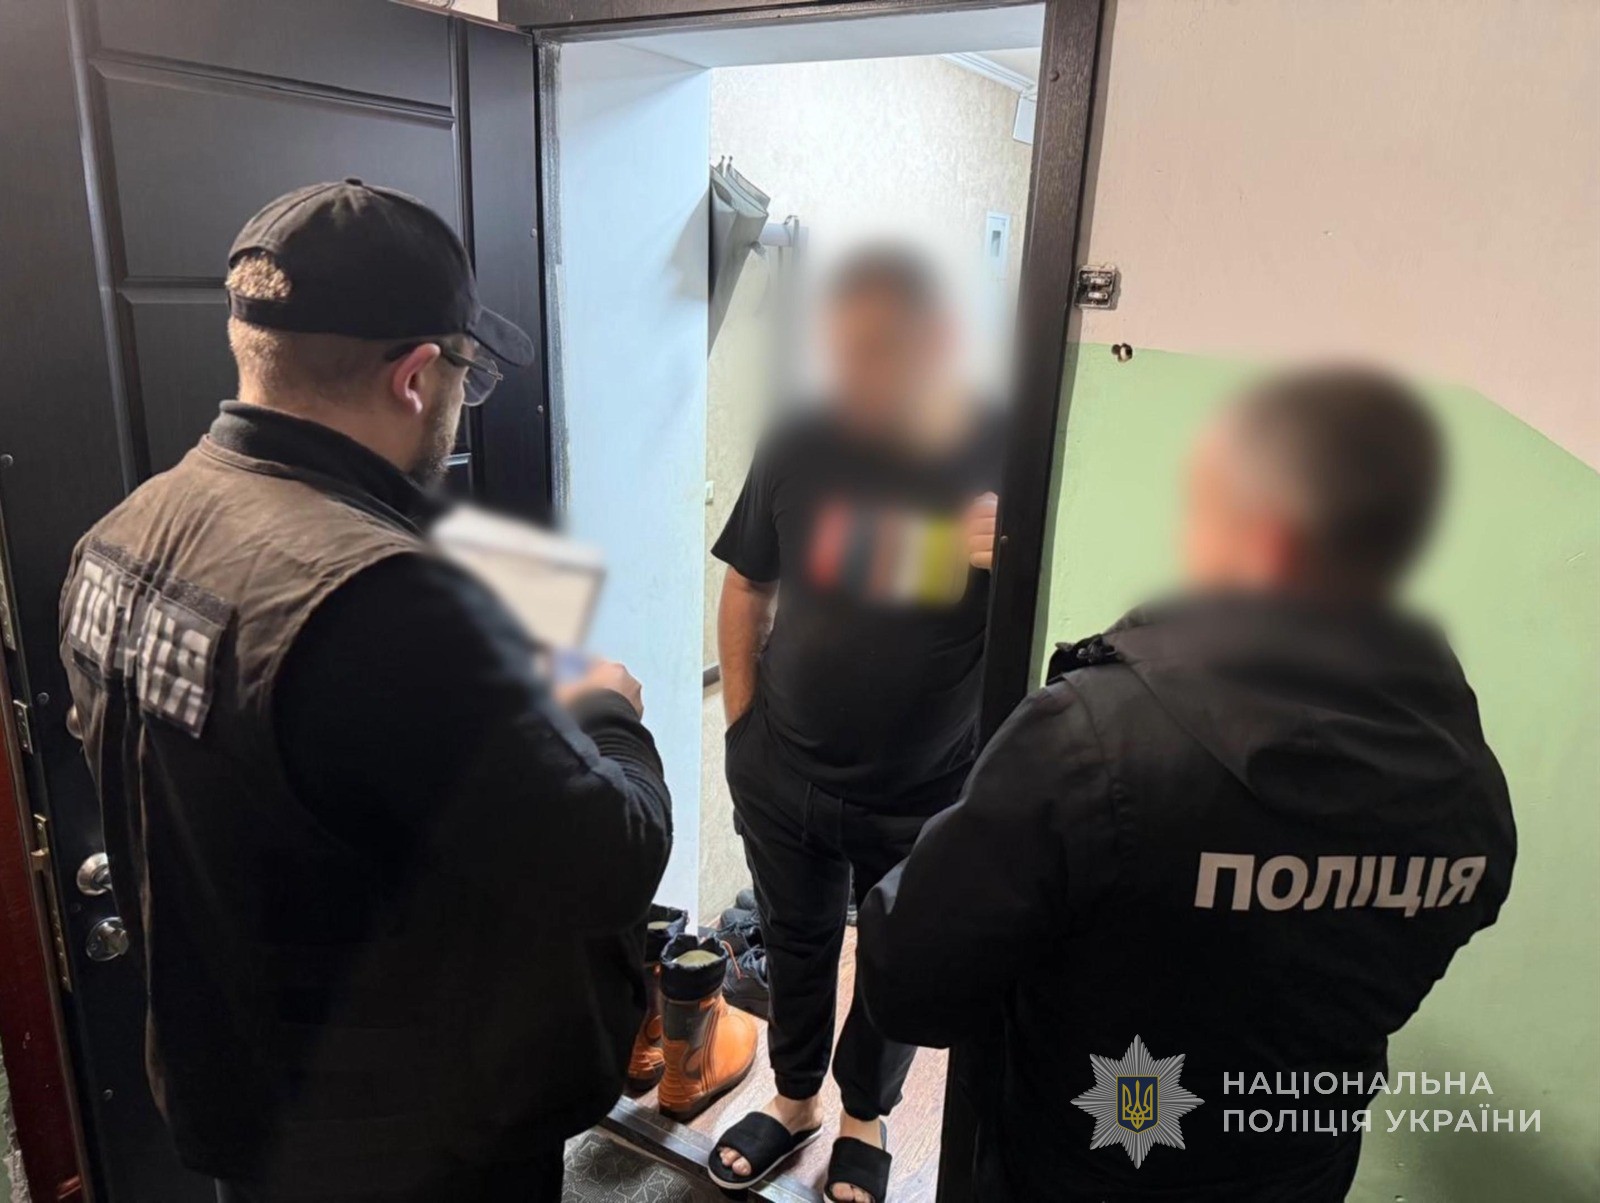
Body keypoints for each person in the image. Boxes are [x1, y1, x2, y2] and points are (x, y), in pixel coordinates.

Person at [57, 181, 673, 1203]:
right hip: (411, 1145)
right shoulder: (383, 605)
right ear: (417, 374)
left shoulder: (121, 536)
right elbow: (609, 860)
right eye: (465, 374)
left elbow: (286, 777)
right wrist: (604, 708)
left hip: (247, 1103)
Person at [858, 366, 1516, 1202]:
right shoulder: (1464, 774)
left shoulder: (1090, 743)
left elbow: (910, 984)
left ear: (1266, 538)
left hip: (1085, 1170)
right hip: (1296, 1167)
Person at [708, 246, 1002, 1203]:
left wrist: (1018, 545)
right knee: (795, 941)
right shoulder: (801, 437)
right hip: (783, 767)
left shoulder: (1007, 451)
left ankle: (864, 1114)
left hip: (927, 791)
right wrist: (743, 732)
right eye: (842, 351)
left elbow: (1063, 607)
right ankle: (794, 1099)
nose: (855, 376)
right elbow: (749, 583)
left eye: (880, 350)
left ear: (940, 342)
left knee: (895, 959)